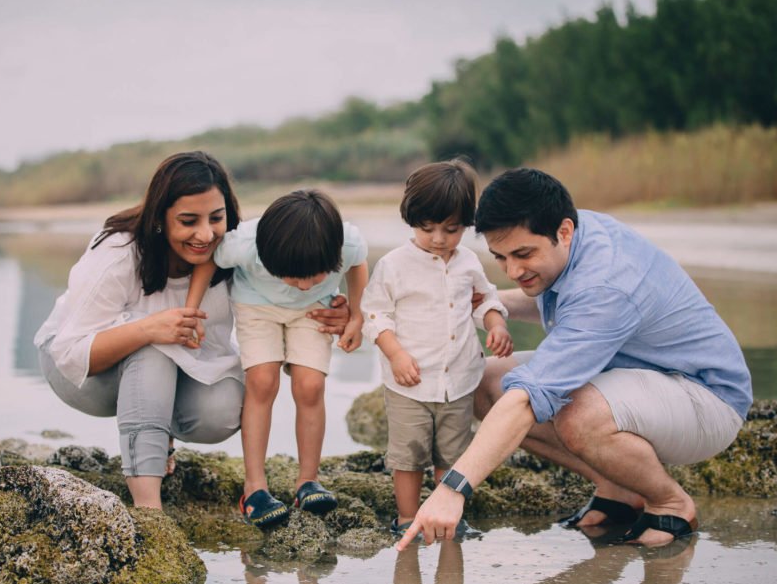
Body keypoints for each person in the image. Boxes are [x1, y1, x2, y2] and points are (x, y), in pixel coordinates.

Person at [398, 167, 752, 548]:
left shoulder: (605, 284)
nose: (514, 271)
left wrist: (453, 490)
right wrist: (454, 306)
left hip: (707, 399)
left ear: (563, 232)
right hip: (640, 375)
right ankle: (617, 485)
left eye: (523, 254)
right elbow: (556, 303)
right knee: (481, 381)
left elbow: (530, 396)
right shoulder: (574, 232)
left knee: (575, 412)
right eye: (500, 257)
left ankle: (670, 501)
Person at [34, 152, 349, 510]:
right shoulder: (119, 254)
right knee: (152, 349)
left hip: (173, 370)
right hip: (81, 372)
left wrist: (338, 313)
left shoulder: (233, 254)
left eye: (216, 218)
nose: (205, 233)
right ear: (159, 219)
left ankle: (160, 434)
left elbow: (290, 290)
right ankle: (148, 508)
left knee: (226, 408)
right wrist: (148, 328)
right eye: (188, 221)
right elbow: (70, 351)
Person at [186, 189, 368, 526]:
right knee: (261, 381)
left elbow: (358, 265)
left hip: (314, 311)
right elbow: (209, 260)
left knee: (311, 386)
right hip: (256, 307)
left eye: (312, 276)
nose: (300, 285)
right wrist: (192, 309)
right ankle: (254, 488)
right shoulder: (244, 245)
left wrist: (357, 314)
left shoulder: (346, 241)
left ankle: (307, 482)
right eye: (291, 276)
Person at [361, 160, 511, 539]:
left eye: (452, 229)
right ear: (411, 219)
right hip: (409, 381)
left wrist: (496, 324)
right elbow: (376, 314)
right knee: (408, 456)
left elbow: (483, 299)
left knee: (453, 454)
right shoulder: (395, 266)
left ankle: (450, 517)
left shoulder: (468, 263)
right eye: (427, 228)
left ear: (467, 224)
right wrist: (395, 354)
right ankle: (408, 519)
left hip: (457, 379)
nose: (440, 239)